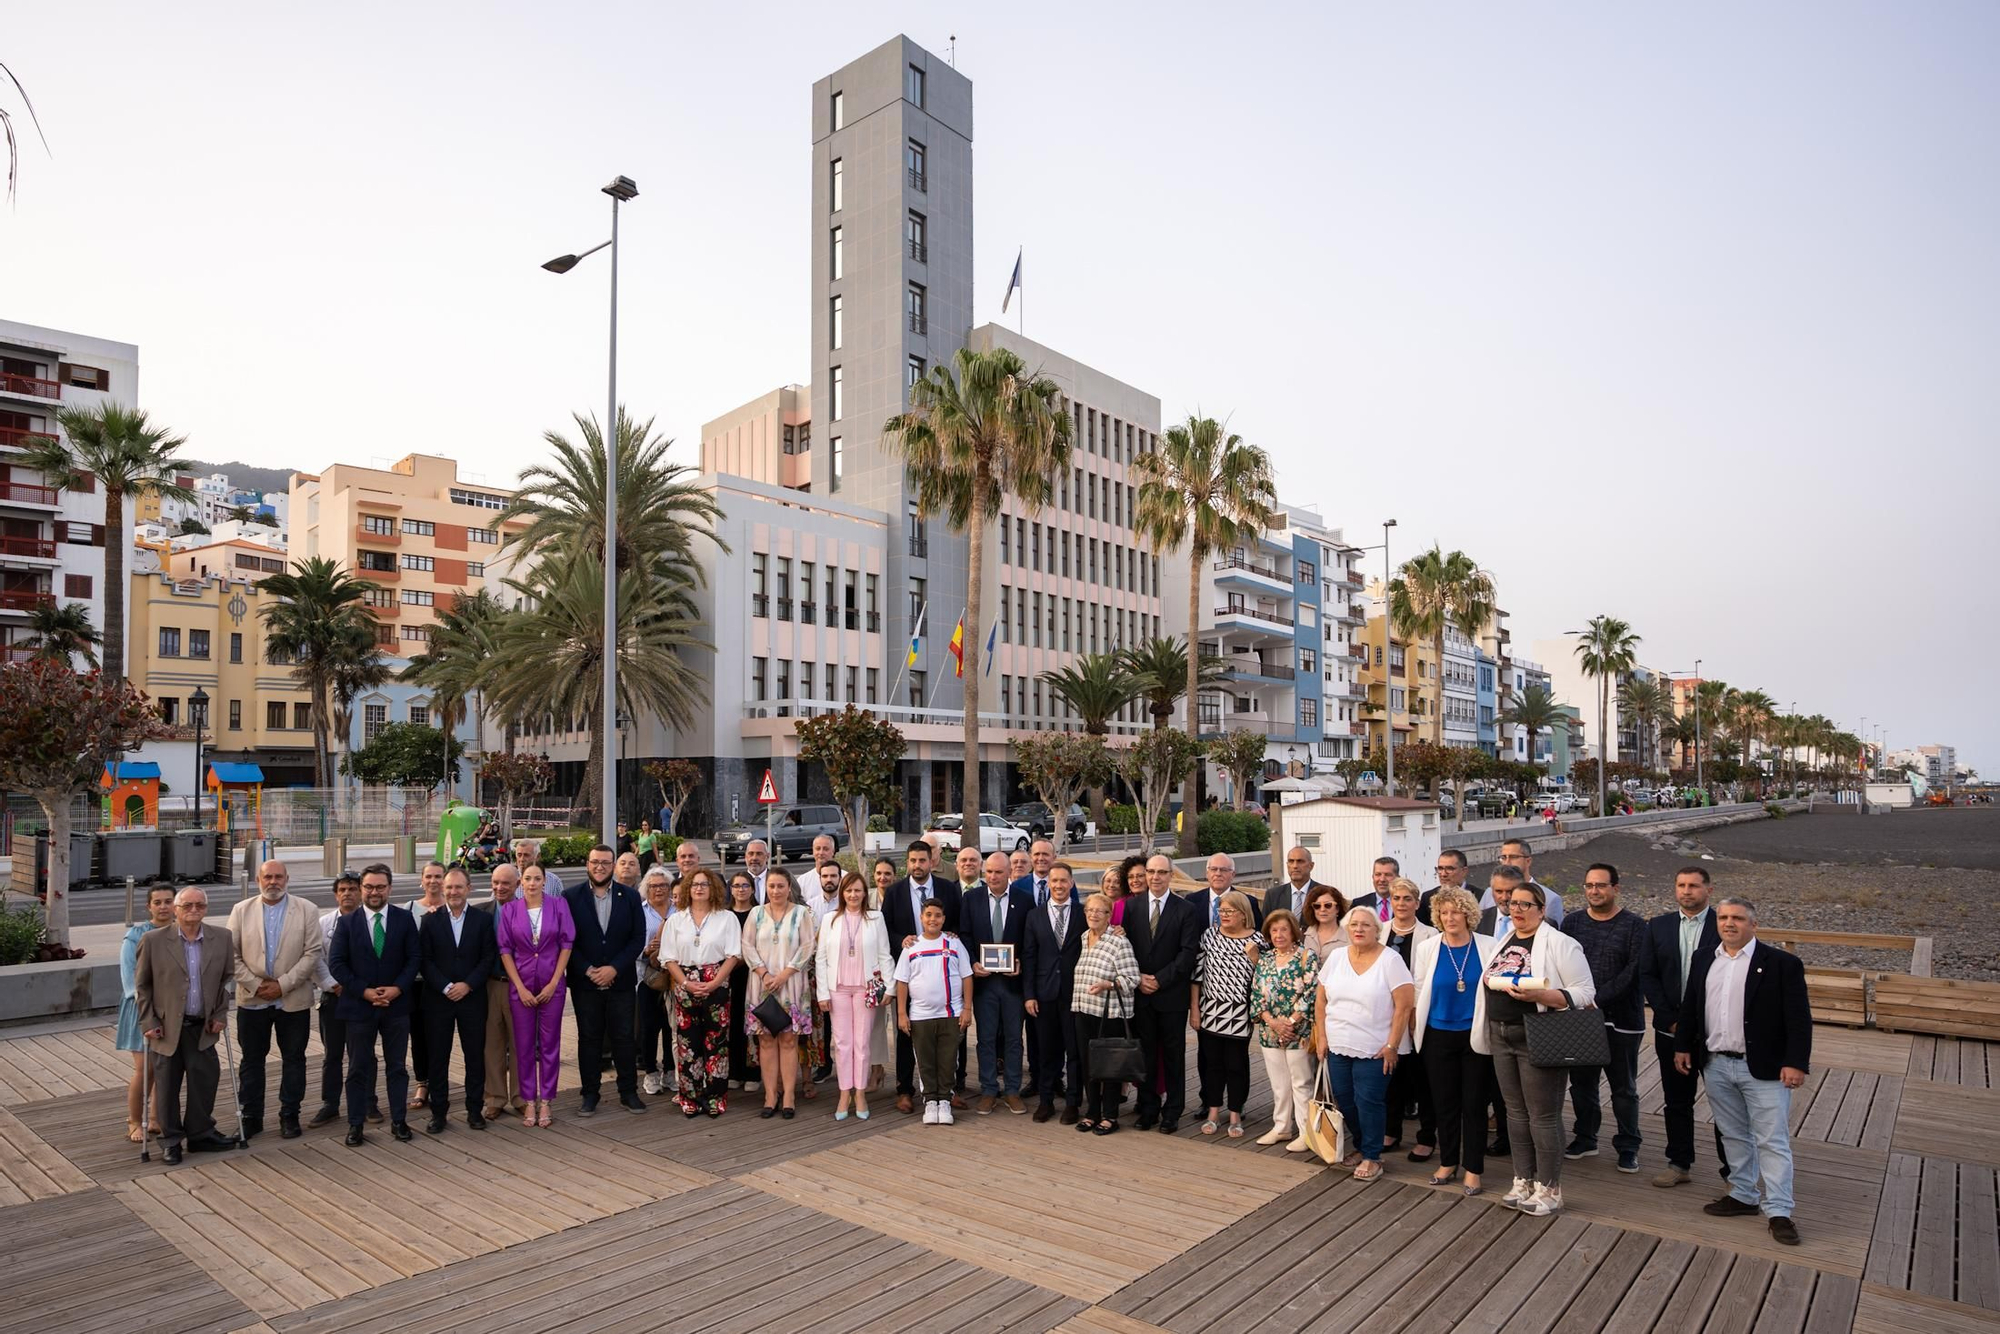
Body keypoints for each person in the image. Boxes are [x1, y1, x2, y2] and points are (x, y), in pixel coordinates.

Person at [1676, 897, 1811, 1247]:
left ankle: (1779, 1211)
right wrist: (1683, 1045)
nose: (1729, 923)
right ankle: (1743, 1194)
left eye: (1737, 918)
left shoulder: (1782, 964)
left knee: (1772, 1140)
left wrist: (1796, 1062)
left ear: (1753, 924)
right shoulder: (1704, 958)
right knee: (1733, 1134)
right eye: (1723, 917)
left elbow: (1798, 1018)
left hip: (1764, 1067)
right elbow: (1691, 1005)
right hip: (1716, 1063)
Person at [1483, 873, 1596, 1217]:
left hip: (1539, 1035)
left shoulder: (1561, 943)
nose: (1517, 909)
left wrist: (1542, 995)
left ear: (1542, 909)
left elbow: (1585, 992)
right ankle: (1523, 1180)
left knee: (1543, 1116)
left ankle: (1550, 1188)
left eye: (1525, 904)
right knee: (1514, 1113)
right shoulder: (1504, 939)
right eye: (1512, 903)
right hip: (1501, 1034)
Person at [1639, 865, 1728, 1189]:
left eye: (1693, 885)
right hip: (1671, 1029)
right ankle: (1679, 1163)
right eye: (1681, 885)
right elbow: (1648, 974)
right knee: (1677, 1100)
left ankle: (1733, 1172)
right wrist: (1670, 1018)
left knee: (1725, 1105)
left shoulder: (1724, 925)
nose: (1686, 891)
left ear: (1709, 890)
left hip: (1714, 1032)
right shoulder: (1658, 926)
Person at [134, 888, 235, 1164]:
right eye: (187, 905)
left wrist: (220, 1013)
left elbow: (226, 981)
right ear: (176, 910)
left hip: (203, 1026)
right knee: (167, 1086)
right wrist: (149, 1021)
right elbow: (142, 986)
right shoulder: (153, 940)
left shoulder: (222, 938)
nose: (194, 910)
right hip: (166, 1028)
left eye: (200, 905)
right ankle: (171, 1141)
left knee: (205, 1081)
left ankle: (201, 1134)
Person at [225, 859, 324, 1141]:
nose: (273, 882)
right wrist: (257, 985)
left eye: (278, 877)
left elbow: (312, 953)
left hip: (292, 999)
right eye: (267, 877)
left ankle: (289, 1115)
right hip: (252, 999)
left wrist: (282, 985)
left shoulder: (307, 909)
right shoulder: (241, 910)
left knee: (294, 1060)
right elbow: (231, 954)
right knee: (251, 1061)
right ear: (258, 880)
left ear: (287, 879)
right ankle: (251, 1117)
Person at [1410, 886, 1500, 1195]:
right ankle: (1448, 1162)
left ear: (1468, 914)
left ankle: (1473, 1168)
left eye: (1456, 912)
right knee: (1444, 1103)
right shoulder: (1428, 948)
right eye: (1443, 912)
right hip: (1437, 1035)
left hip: (1475, 1035)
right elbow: (1419, 990)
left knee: (1474, 1105)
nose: (1449, 918)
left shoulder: (1489, 946)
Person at [1314, 907, 1415, 1180]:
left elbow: (1404, 1006)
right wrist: (1321, 1037)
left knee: (1368, 1101)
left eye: (1366, 925)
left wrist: (1392, 1045)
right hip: (1338, 1045)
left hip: (1376, 1048)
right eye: (1354, 924)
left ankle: (1372, 1156)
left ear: (1377, 930)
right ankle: (1361, 1145)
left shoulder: (1391, 960)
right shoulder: (1337, 957)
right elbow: (1321, 1001)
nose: (1359, 929)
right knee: (1345, 1101)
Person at [328, 865, 422, 1146]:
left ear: (389, 889)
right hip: (359, 1006)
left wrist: (397, 988)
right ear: (361, 889)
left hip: (396, 1006)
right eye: (368, 887)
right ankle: (355, 1124)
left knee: (397, 1067)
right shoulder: (347, 923)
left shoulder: (404, 919)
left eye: (380, 887)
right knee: (358, 1068)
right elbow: (336, 964)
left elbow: (414, 958)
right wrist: (364, 991)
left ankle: (399, 1121)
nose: (374, 892)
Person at [1561, 862, 1646, 1172]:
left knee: (1623, 1088)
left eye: (1600, 885)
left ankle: (1628, 1145)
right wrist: (1577, 999)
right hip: (1580, 1019)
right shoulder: (1572, 922)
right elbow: (1561, 962)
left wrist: (1595, 998)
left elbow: (1634, 971)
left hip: (1622, 1020)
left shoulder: (1635, 926)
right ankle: (1586, 1138)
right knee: (1582, 1085)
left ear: (1615, 888)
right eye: (1589, 885)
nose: (1594, 891)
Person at [564, 844, 648, 1116]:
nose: (599, 867)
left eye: (605, 862)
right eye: (595, 862)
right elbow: (566, 940)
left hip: (620, 982)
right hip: (585, 983)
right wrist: (588, 969)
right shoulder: (570, 897)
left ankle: (628, 1092)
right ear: (587, 864)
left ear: (613, 866)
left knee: (624, 1038)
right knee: (589, 1039)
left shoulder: (631, 896)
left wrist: (614, 968)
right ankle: (590, 1094)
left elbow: (637, 938)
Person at [883, 840, 961, 1114]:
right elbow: (886, 928)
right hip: (910, 974)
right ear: (907, 863)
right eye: (913, 861)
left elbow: (958, 921)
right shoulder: (894, 892)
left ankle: (950, 1090)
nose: (917, 865)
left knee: (949, 1035)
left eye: (922, 860)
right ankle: (905, 1089)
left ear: (932, 862)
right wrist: (900, 940)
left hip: (942, 975)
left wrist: (952, 933)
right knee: (906, 1032)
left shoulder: (948, 889)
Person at [417, 866, 496, 1132]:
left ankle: (474, 1110)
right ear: (443, 889)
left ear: (468, 889)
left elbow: (488, 957)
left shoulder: (483, 920)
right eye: (449, 887)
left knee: (474, 1056)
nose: (453, 892)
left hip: (472, 998)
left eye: (459, 887)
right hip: (438, 1000)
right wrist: (446, 986)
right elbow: (424, 960)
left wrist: (468, 985)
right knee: (438, 1058)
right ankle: (438, 1112)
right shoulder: (429, 920)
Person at [1126, 853, 1201, 1133]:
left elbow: (1188, 953)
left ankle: (1173, 1111)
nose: (1155, 877)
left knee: (1173, 1056)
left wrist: (1159, 979)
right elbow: (1126, 948)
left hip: (1171, 996)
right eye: (1151, 872)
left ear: (1171, 875)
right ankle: (1148, 1108)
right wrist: (1138, 978)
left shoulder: (1186, 909)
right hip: (1141, 994)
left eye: (1161, 872)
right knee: (1145, 1055)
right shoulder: (1132, 907)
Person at [497, 864, 574, 1127]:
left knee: (550, 1045)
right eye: (527, 878)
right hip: (522, 986)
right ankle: (529, 1100)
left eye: (537, 878)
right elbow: (505, 950)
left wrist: (554, 982)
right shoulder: (511, 910)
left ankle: (547, 1100)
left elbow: (566, 944)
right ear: (521, 882)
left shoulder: (558, 906)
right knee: (524, 1045)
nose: (532, 883)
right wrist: (519, 986)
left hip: (552, 984)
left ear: (544, 881)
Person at [661, 867, 742, 1117]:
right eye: (694, 884)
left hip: (717, 982)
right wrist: (686, 983)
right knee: (688, 1045)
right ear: (687, 888)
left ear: (713, 888)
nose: (699, 888)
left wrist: (715, 982)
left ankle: (716, 1097)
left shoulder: (726, 918)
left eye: (704, 884)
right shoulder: (676, 920)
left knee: (717, 1044)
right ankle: (690, 1098)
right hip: (685, 983)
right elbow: (668, 958)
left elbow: (733, 955)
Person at [815, 870, 892, 1120]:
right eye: (848, 890)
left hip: (865, 988)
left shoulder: (876, 918)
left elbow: (884, 954)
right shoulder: (830, 919)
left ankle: (860, 1092)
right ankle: (843, 1093)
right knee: (842, 1043)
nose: (853, 895)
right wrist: (822, 993)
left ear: (864, 893)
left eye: (857, 890)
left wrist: (890, 987)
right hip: (837, 988)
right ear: (842, 893)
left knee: (862, 1042)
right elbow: (821, 958)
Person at [742, 866, 816, 1118]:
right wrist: (764, 973)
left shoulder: (801, 913)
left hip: (791, 984)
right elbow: (747, 945)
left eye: (780, 886)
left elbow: (807, 946)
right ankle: (770, 1095)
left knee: (788, 1040)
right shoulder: (756, 913)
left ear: (789, 888)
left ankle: (789, 1096)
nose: (775, 891)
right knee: (765, 1040)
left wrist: (784, 974)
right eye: (771, 886)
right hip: (761, 985)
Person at [963, 851, 1034, 1115]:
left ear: (1009, 873)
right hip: (984, 984)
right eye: (989, 872)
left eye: (999, 872)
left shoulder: (1024, 900)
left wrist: (1021, 963)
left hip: (1012, 984)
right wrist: (972, 962)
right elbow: (965, 936)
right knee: (986, 1038)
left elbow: (1029, 940)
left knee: (1014, 1038)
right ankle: (989, 1090)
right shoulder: (971, 899)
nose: (993, 877)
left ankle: (1012, 1090)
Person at [1191, 890, 1265, 1138]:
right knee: (1212, 1064)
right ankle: (1213, 1112)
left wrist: (1255, 958)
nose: (1223, 915)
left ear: (1243, 914)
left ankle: (1235, 1113)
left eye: (1229, 911)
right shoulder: (1209, 935)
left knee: (1236, 1065)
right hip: (1210, 1011)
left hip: (1240, 1014)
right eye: (1221, 910)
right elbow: (1196, 976)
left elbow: (1265, 978)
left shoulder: (1257, 939)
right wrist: (1195, 1010)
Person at [309, 872, 379, 1128]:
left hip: (363, 997)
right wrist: (333, 984)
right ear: (336, 894)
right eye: (342, 890)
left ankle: (368, 1102)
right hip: (334, 996)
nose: (347, 893)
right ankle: (330, 1104)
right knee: (333, 1054)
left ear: (361, 892)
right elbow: (316, 958)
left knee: (365, 1053)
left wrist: (359, 988)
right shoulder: (323, 923)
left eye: (352, 889)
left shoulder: (371, 921)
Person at [895, 899, 974, 1124]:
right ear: (921, 918)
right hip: (920, 1015)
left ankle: (945, 1100)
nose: (933, 919)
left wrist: (967, 1008)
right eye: (928, 915)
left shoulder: (953, 943)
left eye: (937, 915)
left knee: (948, 1060)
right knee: (925, 1060)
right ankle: (930, 1100)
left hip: (951, 1014)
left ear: (944, 919)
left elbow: (967, 976)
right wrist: (902, 1013)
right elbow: (902, 982)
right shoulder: (912, 946)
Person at [1070, 891, 1142, 1135]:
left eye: (1099, 911)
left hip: (1109, 1014)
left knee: (1110, 1066)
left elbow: (1132, 978)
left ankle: (1110, 1116)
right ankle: (1092, 1112)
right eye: (1089, 910)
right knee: (1088, 1065)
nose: (1093, 915)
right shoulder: (1083, 937)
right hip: (1083, 1010)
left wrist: (1108, 985)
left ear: (1109, 915)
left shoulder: (1119, 942)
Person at [1022, 861, 1086, 1123]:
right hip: (1044, 993)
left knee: (1075, 1051)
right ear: (1048, 884)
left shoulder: (1083, 913)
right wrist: (1029, 994)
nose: (1059, 885)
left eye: (1063, 880)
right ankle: (1046, 1101)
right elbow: (1029, 956)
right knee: (1046, 1051)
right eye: (1054, 881)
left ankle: (1072, 1103)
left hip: (1076, 993)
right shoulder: (1034, 915)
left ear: (1071, 883)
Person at [1250, 908, 1318, 1149]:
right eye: (1274, 930)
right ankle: (1281, 1127)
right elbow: (1256, 993)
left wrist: (1289, 1023)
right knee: (1279, 1084)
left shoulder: (1306, 956)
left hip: (1298, 1031)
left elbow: (1311, 993)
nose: (1279, 935)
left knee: (1301, 1082)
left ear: (1294, 932)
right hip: (1270, 1031)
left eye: (1284, 930)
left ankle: (1306, 1133)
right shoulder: (1265, 959)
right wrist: (1273, 1022)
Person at [1381, 876, 1439, 1159]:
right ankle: (1391, 1131)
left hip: (1418, 1016)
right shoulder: (1380, 931)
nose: (1401, 903)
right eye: (1396, 898)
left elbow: (1426, 979)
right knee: (1391, 1076)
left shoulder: (1431, 935)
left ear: (1417, 903)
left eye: (1407, 899)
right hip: (1385, 1016)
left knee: (1422, 1079)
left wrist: (1414, 1012)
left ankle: (1426, 1137)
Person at [119, 887, 179, 1141]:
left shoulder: (181, 932)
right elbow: (130, 978)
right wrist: (150, 1007)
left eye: (168, 901)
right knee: (145, 1069)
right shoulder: (135, 935)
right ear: (149, 906)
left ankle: (155, 1118)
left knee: (163, 1067)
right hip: (141, 1009)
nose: (163, 907)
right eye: (158, 902)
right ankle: (134, 1121)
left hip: (171, 1010)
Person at [478, 864, 525, 1122]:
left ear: (517, 884)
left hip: (521, 986)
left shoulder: (529, 911)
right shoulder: (480, 912)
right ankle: (494, 1098)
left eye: (505, 883)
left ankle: (521, 1098)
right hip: (491, 985)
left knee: (521, 1044)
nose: (499, 887)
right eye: (495, 882)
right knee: (492, 1044)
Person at [406, 860, 449, 1114]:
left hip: (442, 984)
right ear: (421, 880)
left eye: (438, 876)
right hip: (416, 983)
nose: (433, 881)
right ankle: (422, 1082)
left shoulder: (453, 907)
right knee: (418, 1035)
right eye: (429, 876)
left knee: (440, 1036)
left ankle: (440, 1082)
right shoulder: (409, 909)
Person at [636, 865, 677, 1096]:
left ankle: (670, 1070)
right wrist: (646, 949)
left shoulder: (679, 908)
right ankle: (651, 1072)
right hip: (648, 977)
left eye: (663, 885)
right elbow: (630, 943)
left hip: (675, 977)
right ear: (646, 888)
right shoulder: (639, 911)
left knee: (672, 1026)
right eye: (653, 886)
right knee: (649, 1027)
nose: (658, 889)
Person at [725, 871, 761, 1092]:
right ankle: (734, 1071)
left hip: (753, 974)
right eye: (736, 886)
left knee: (753, 1024)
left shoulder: (759, 913)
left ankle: (753, 1073)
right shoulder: (724, 915)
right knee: (732, 1023)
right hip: (728, 976)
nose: (741, 889)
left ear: (752, 889)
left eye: (745, 885)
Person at [1478, 839, 1564, 927]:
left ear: (1528, 861)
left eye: (1513, 857)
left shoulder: (1550, 899)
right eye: (1503, 857)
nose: (1507, 862)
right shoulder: (1489, 892)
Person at [869, 856, 901, 1092]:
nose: (883, 877)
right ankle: (876, 1070)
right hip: (873, 971)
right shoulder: (867, 899)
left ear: (895, 876)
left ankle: (902, 1075)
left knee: (901, 1023)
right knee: (875, 1024)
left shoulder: (901, 897)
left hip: (899, 967)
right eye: (879, 873)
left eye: (887, 873)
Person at [1189, 852, 1265, 929]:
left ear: (1233, 875)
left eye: (1223, 870)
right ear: (1207, 873)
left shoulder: (1248, 902)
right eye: (1214, 869)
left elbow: (1256, 930)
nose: (1218, 874)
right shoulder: (1192, 900)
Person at [1266, 846, 1331, 919]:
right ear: (1287, 865)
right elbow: (1266, 924)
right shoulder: (1273, 895)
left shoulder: (1324, 894)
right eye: (1291, 861)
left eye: (1300, 861)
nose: (1295, 866)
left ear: (1311, 866)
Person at [793, 833, 842, 922]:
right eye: (818, 849)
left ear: (833, 851)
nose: (821, 853)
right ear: (813, 851)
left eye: (826, 849)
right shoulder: (802, 881)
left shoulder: (846, 878)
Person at [1418, 850, 1470, 926]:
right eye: (1440, 868)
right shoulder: (1427, 898)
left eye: (1449, 869)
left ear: (1464, 871)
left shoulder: (1480, 896)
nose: (1443, 874)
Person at [1300, 883, 1350, 960]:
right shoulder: (1306, 934)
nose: (1322, 909)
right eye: (1317, 906)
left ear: (1337, 908)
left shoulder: (1349, 935)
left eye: (1328, 905)